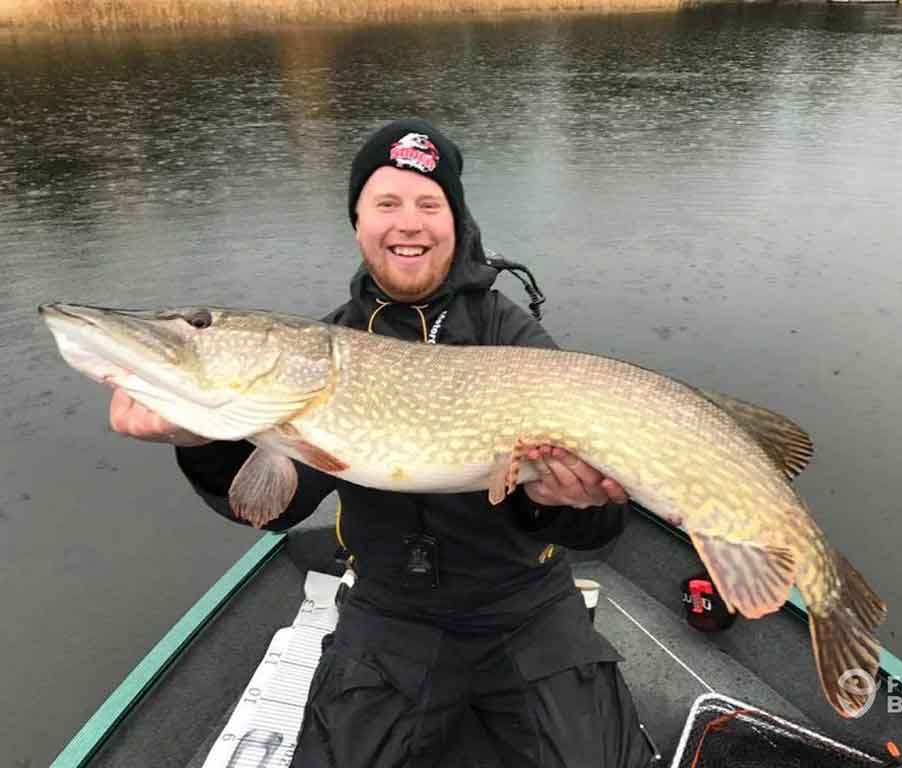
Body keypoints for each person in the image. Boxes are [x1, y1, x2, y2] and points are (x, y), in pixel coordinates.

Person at [109, 118, 655, 768]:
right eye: (386, 203)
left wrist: (561, 502)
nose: (409, 223)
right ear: (357, 221)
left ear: (456, 221)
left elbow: (601, 529)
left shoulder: (511, 337)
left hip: (526, 604)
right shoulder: (320, 351)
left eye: (430, 204)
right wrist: (200, 436)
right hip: (390, 611)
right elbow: (275, 506)